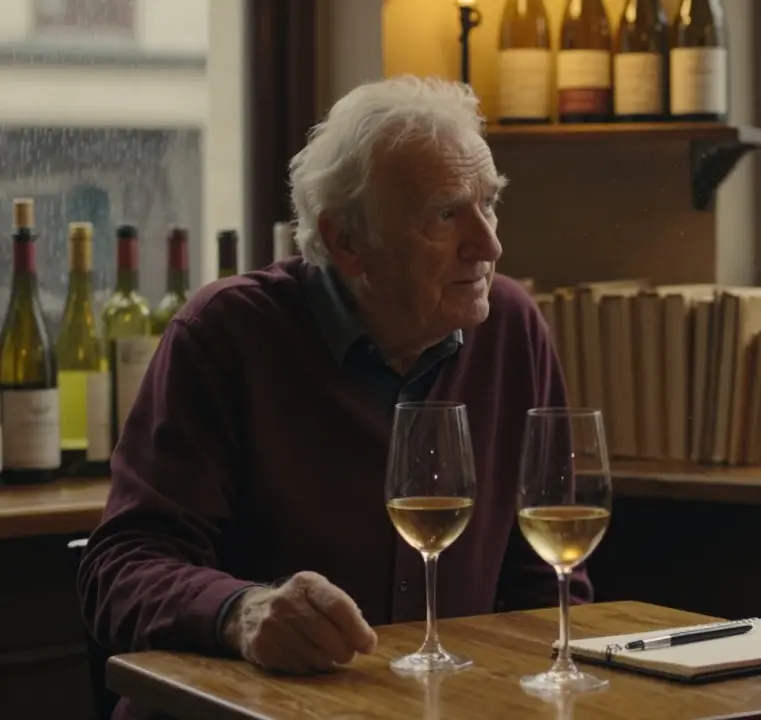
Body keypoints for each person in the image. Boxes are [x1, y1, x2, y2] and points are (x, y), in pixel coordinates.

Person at [78, 76, 587, 715]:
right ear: (347, 242)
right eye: (445, 213)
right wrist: (243, 611)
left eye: (489, 204)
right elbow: (120, 569)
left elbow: (547, 588)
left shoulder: (511, 327)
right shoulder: (225, 333)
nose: (489, 244)